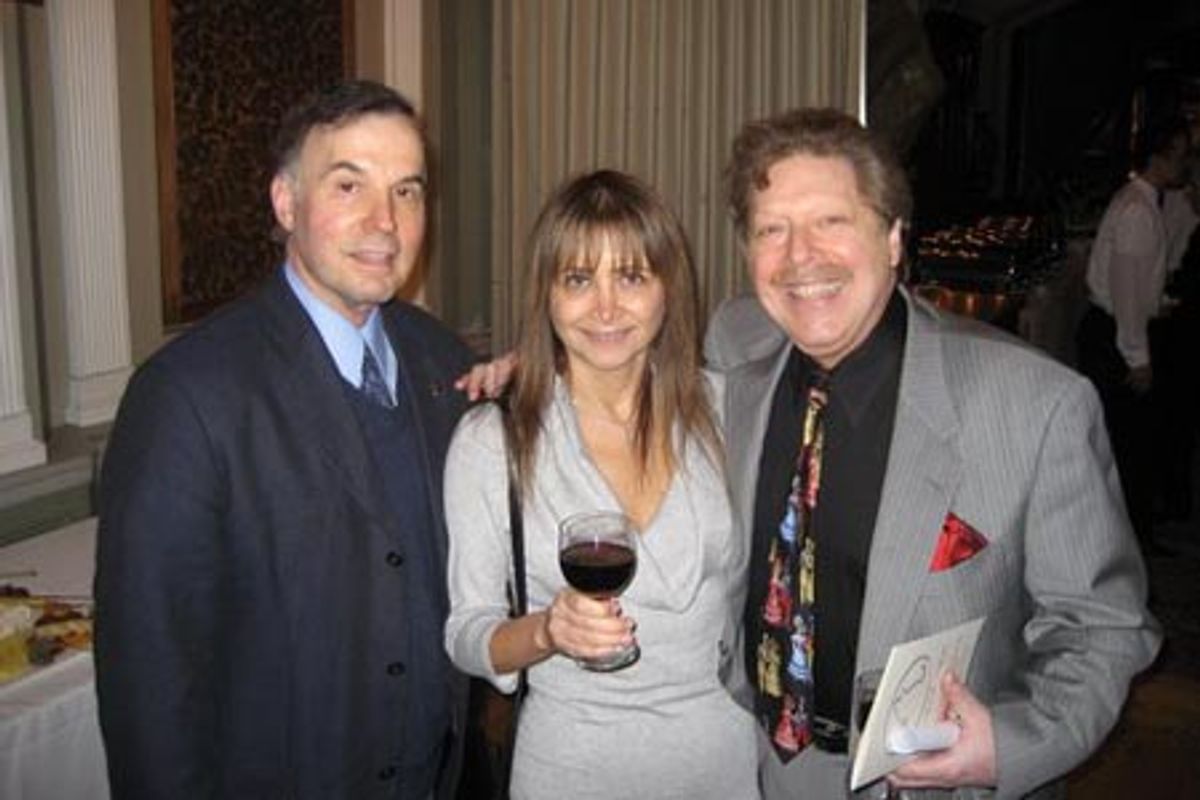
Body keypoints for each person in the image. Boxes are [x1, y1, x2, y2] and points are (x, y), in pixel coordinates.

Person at [705, 108, 1161, 799]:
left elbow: (1103, 628)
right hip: (760, 768)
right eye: (773, 230)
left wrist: (1009, 744)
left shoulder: (1034, 405)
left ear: (892, 239)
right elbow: (624, 373)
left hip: (931, 783)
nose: (800, 256)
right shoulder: (735, 360)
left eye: (831, 221)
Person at [95, 80, 475, 799]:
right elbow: (151, 683)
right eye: (348, 186)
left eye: (408, 191)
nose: (384, 222)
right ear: (284, 202)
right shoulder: (186, 396)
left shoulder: (447, 366)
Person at [443, 170, 759, 800]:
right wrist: (546, 632)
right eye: (579, 280)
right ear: (547, 296)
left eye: (633, 276)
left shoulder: (732, 414)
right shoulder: (494, 440)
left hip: (722, 762)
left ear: (668, 287)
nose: (607, 307)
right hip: (571, 768)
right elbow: (467, 637)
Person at [1076, 116, 1191, 546]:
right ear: (1160, 156)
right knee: (1125, 450)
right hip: (1113, 337)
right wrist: (1137, 357)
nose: (1186, 164)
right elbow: (1125, 294)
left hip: (1119, 331)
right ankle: (1122, 547)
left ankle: (1132, 540)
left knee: (1133, 447)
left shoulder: (1149, 204)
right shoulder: (1137, 211)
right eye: (1180, 154)